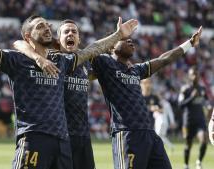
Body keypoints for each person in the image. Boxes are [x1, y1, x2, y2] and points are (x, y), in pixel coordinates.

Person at [0, 10, 137, 169]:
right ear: (29, 36)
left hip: (62, 142)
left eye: (47, 25)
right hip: (33, 138)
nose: (47, 28)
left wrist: (118, 34)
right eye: (41, 26)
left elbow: (93, 49)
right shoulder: (17, 60)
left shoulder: (62, 62)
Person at [89, 28, 202, 169]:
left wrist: (189, 43)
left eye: (130, 39)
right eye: (124, 40)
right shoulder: (105, 63)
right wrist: (117, 35)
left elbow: (164, 59)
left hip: (149, 134)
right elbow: (90, 51)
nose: (130, 41)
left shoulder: (136, 70)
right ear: (111, 46)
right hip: (127, 133)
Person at [14, 19, 96, 169]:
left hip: (83, 135)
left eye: (74, 32)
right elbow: (19, 43)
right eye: (66, 32)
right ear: (58, 40)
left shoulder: (86, 65)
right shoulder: (53, 58)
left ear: (79, 39)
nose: (70, 34)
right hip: (61, 135)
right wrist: (38, 58)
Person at [178, 66, 210, 169]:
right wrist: (192, 97)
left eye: (196, 74)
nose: (195, 76)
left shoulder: (202, 89)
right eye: (193, 74)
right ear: (189, 76)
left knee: (204, 140)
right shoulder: (185, 89)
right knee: (188, 145)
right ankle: (186, 165)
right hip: (188, 122)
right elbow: (180, 105)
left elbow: (206, 100)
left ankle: (198, 162)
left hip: (200, 120)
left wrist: (208, 106)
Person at [141, 78, 175, 151]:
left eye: (149, 83)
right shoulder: (139, 97)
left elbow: (162, 110)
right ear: (141, 84)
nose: (147, 85)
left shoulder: (155, 97)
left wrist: (157, 109)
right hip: (141, 126)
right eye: (145, 83)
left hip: (152, 125)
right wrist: (150, 108)